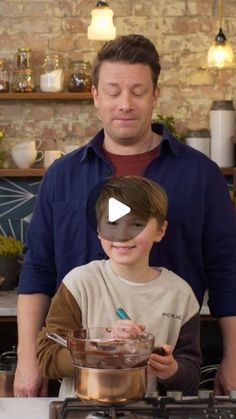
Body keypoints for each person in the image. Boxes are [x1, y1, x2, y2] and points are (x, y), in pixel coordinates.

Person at [14, 34, 236, 397]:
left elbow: (228, 271)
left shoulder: (202, 174)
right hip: (83, 382)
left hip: (168, 382)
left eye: (137, 91)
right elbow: (38, 268)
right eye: (113, 91)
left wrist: (234, 359)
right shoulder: (62, 175)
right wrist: (28, 359)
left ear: (155, 96)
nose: (125, 104)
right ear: (96, 96)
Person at [37, 176, 201, 397]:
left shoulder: (180, 295)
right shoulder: (79, 283)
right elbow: (47, 357)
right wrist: (102, 349)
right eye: (112, 224)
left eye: (136, 224)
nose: (122, 236)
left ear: (160, 231)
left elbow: (190, 376)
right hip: (84, 409)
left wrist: (170, 370)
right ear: (98, 229)